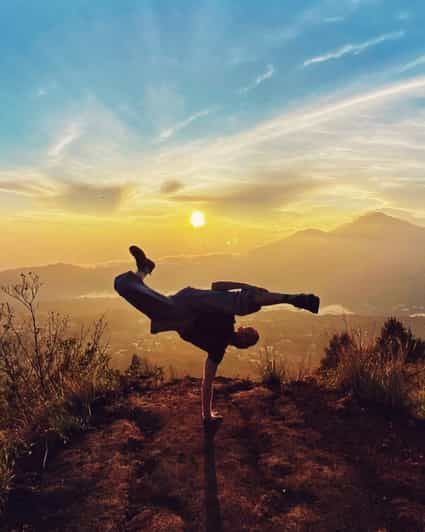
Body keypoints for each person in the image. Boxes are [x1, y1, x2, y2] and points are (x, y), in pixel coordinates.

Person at [114, 246, 320, 428]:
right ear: (243, 328)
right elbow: (217, 285)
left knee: (126, 287)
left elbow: (208, 382)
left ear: (243, 344)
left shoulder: (218, 348)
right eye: (250, 332)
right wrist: (247, 286)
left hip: (178, 313)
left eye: (249, 338)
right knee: (243, 299)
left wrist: (207, 415)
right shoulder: (228, 318)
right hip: (191, 301)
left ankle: (144, 269)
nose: (247, 334)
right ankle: (293, 299)